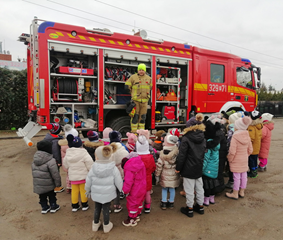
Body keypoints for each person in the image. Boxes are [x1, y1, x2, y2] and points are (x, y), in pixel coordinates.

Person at [85, 146, 123, 233]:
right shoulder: (113, 168)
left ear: (97, 156)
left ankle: (95, 224)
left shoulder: (93, 168)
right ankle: (106, 225)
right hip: (108, 193)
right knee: (106, 208)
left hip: (96, 193)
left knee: (97, 208)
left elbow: (88, 180)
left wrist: (87, 190)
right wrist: (122, 190)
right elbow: (118, 180)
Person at [176, 113, 206, 218]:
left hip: (188, 167)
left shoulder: (186, 138)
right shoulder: (203, 137)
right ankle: (200, 206)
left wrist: (178, 168)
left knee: (189, 190)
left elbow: (182, 155)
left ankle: (189, 208)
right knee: (199, 188)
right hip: (199, 166)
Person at [63, 135, 93, 212]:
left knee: (74, 191)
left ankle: (75, 205)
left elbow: (65, 165)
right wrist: (91, 170)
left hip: (73, 177)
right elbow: (89, 163)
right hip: (83, 176)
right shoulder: (84, 153)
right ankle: (84, 204)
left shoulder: (68, 153)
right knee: (83, 191)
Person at [226, 116, 253, 199]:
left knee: (236, 177)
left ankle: (235, 193)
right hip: (244, 159)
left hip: (236, 160)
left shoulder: (235, 137)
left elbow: (232, 151)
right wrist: (245, 155)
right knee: (244, 175)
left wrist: (229, 159)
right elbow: (250, 150)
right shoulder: (247, 136)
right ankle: (242, 192)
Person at [32, 140, 61, 214]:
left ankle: (44, 207)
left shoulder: (34, 160)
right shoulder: (51, 160)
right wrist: (58, 184)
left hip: (39, 183)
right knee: (51, 195)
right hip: (49, 183)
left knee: (42, 196)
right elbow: (55, 173)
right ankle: (53, 206)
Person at [121, 152, 147, 227]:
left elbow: (128, 181)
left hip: (134, 189)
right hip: (142, 186)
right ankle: (137, 214)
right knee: (139, 201)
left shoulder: (129, 167)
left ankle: (132, 219)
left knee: (132, 203)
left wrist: (125, 191)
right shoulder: (140, 163)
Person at [125, 63, 152, 132]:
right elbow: (127, 86)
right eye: (140, 70)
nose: (141, 71)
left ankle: (141, 132)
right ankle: (134, 133)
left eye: (142, 70)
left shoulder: (149, 78)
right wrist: (133, 94)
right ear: (137, 70)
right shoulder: (133, 77)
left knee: (143, 117)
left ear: (145, 71)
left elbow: (151, 87)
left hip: (144, 102)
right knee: (135, 117)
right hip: (135, 101)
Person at [155, 134, 180, 210]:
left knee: (164, 188)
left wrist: (157, 175)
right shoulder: (177, 153)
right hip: (174, 174)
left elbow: (159, 165)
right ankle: (171, 202)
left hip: (164, 174)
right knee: (172, 188)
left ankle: (164, 202)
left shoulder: (162, 154)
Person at [202, 118, 221, 206]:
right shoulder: (216, 144)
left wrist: (202, 169)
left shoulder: (208, 145)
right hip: (215, 168)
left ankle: (206, 200)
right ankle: (212, 199)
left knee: (207, 186)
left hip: (207, 170)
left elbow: (206, 159)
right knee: (213, 184)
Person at [109, 130, 129, 211]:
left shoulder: (108, 148)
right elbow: (127, 157)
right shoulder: (123, 147)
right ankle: (117, 204)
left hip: (110, 171)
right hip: (120, 169)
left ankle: (108, 207)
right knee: (118, 186)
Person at [136, 135, 156, 213]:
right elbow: (153, 167)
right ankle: (147, 207)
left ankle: (139, 207)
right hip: (148, 178)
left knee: (139, 194)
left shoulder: (136, 157)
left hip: (138, 179)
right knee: (148, 193)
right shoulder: (150, 157)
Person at [58, 124, 79, 194]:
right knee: (74, 175)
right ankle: (73, 187)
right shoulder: (74, 146)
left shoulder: (63, 145)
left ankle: (68, 187)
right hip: (73, 164)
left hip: (66, 164)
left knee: (68, 175)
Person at [44, 123, 65, 193]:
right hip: (54, 160)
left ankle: (50, 186)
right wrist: (58, 161)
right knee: (55, 174)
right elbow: (56, 152)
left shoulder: (48, 137)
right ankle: (57, 187)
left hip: (48, 159)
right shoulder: (55, 141)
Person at [247, 110, 263, 178]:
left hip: (252, 148)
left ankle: (252, 172)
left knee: (251, 161)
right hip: (257, 147)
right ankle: (255, 170)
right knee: (254, 159)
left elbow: (251, 138)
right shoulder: (259, 126)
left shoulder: (251, 127)